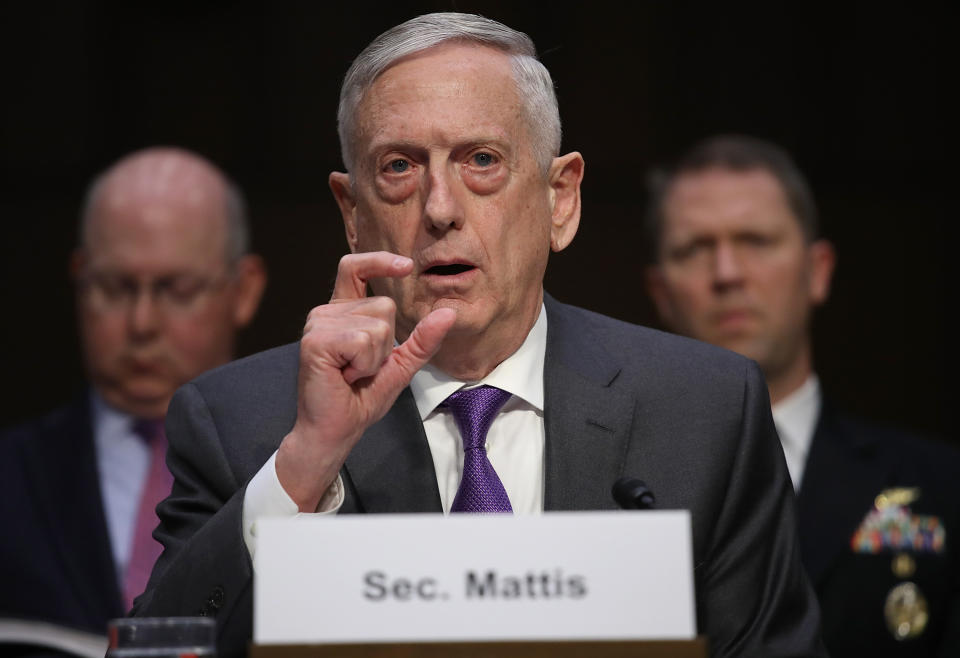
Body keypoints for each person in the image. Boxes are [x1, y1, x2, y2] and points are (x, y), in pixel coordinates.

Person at [134, 15, 824, 657]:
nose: (440, 209)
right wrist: (305, 466)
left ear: (561, 199)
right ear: (352, 213)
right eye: (399, 167)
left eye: (482, 161)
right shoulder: (240, 421)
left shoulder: (704, 412)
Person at [644, 134, 960, 657]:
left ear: (818, 270)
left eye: (756, 241)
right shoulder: (615, 481)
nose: (727, 274)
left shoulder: (941, 486)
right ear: (660, 293)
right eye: (694, 249)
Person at [0, 148, 266, 650]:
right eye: (115, 286)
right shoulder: (11, 474)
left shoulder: (300, 471)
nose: (142, 323)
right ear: (79, 278)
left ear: (244, 290)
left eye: (178, 288)